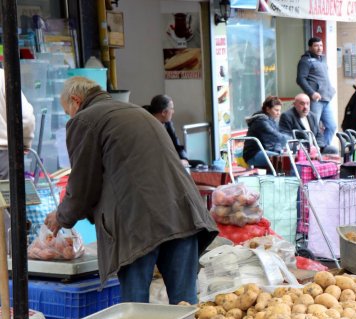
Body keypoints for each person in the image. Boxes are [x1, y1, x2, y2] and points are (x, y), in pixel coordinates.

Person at [44, 77, 218, 305]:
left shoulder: (85, 120)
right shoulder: (136, 111)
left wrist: (62, 217)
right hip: (182, 214)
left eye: (68, 111)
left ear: (76, 101)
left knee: (136, 309)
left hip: (137, 223)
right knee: (185, 306)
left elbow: (83, 184)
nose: (70, 117)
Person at [296, 37, 336, 148]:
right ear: (310, 47)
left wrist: (331, 89)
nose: (319, 48)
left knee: (332, 126)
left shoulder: (322, 59)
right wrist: (312, 93)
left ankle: (322, 149)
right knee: (313, 128)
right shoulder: (305, 61)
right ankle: (311, 152)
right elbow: (300, 79)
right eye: (316, 46)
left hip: (326, 99)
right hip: (315, 101)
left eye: (321, 45)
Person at [0, 67, 35, 179]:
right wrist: (24, 142)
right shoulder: (3, 77)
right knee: (6, 195)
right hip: (4, 153)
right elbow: (25, 117)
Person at [243, 96, 291, 168]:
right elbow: (275, 135)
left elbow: (276, 140)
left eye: (280, 110)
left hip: (264, 150)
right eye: (276, 110)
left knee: (284, 158)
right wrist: (290, 139)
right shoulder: (260, 121)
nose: (279, 113)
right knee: (282, 160)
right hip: (253, 154)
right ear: (268, 109)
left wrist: (280, 149)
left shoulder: (272, 120)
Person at [144, 95, 189, 168]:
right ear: (164, 112)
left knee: (199, 163)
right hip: (157, 164)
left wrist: (184, 159)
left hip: (171, 161)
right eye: (172, 109)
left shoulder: (168, 123)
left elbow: (177, 145)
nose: (173, 112)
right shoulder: (147, 125)